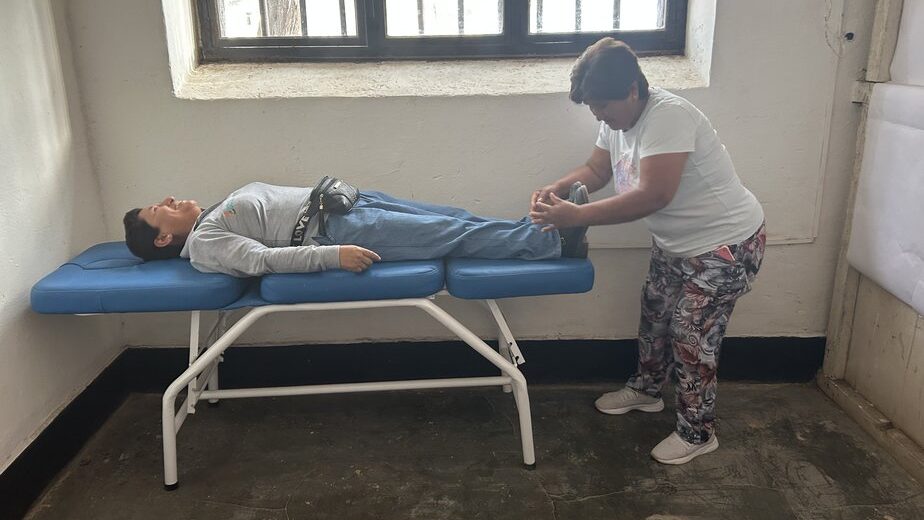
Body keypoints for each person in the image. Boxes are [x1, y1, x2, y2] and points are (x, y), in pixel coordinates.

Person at [529, 38, 766, 465]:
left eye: (603, 106)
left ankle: (698, 433)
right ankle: (647, 391)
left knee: (690, 335)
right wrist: (557, 189)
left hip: (725, 245)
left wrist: (575, 216)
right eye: (592, 107)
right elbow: (597, 169)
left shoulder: (669, 117)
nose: (598, 114)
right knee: (654, 314)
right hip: (676, 244)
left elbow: (653, 195)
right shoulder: (617, 119)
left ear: (633, 90)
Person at [122, 181, 590, 277]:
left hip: (346, 203)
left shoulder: (211, 216)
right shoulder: (205, 243)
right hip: (336, 231)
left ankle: (538, 230)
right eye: (160, 210)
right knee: (452, 234)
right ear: (163, 238)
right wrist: (334, 255)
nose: (170, 200)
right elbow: (262, 261)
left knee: (453, 218)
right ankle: (554, 242)